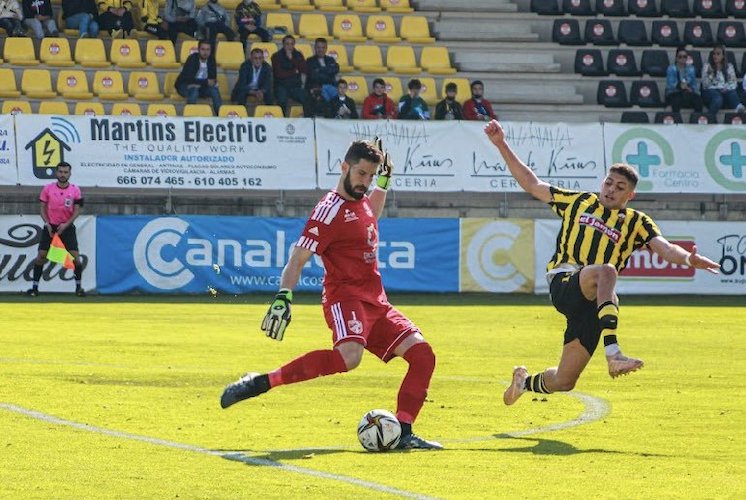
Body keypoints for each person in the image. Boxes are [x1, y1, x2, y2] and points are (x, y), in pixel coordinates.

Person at [220, 139, 442, 450]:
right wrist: (284, 296)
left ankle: (403, 431)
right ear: (344, 167)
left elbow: (370, 216)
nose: (365, 182)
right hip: (345, 298)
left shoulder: (362, 199)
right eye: (361, 174)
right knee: (349, 359)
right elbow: (297, 258)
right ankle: (261, 382)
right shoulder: (327, 212)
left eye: (370, 175)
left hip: (376, 301)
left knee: (423, 355)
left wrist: (384, 182)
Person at [482, 120, 720, 406]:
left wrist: (689, 259)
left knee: (565, 381)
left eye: (619, 187)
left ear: (629, 196)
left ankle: (523, 383)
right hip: (566, 281)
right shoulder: (579, 201)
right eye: (608, 182)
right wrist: (501, 144)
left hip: (594, 303)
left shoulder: (637, 222)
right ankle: (614, 354)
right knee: (607, 271)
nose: (610, 189)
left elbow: (666, 249)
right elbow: (533, 184)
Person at [26, 162, 86, 298]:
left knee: (75, 259)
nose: (63, 174)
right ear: (56, 173)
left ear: (70, 174)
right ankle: (34, 288)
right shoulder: (47, 189)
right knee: (41, 256)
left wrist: (66, 224)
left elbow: (77, 210)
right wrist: (47, 223)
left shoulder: (75, 190)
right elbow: (42, 208)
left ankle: (79, 288)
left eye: (65, 172)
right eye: (60, 172)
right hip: (50, 227)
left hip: (67, 227)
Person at [175, 40, 222, 114]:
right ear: (199, 50)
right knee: (194, 90)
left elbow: (212, 78)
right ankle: (189, 117)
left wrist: (213, 82)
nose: (205, 52)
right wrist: (205, 82)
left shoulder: (211, 60)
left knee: (214, 90)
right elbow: (188, 79)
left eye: (207, 50)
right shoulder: (192, 59)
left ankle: (221, 116)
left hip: (202, 86)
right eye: (203, 49)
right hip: (184, 86)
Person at [271, 34, 311, 117]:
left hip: (295, 86)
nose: (289, 46)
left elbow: (305, 69)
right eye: (287, 44)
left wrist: (292, 60)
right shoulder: (276, 56)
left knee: (307, 97)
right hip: (281, 85)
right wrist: (295, 71)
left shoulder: (298, 55)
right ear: (283, 44)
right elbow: (279, 74)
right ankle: (281, 120)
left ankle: (307, 119)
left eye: (292, 44)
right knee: (281, 100)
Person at [701, 45, 740, 118]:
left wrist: (726, 88)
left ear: (723, 56)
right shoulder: (707, 66)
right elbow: (705, 85)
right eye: (714, 54)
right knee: (718, 98)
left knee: (732, 93)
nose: (715, 56)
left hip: (725, 91)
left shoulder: (729, 67)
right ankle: (709, 118)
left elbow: (734, 83)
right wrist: (710, 74)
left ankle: (739, 108)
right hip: (710, 91)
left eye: (718, 54)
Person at [665, 46, 703, 113]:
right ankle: (677, 121)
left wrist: (692, 89)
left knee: (698, 100)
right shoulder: (671, 68)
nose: (682, 58)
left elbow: (693, 84)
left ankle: (695, 121)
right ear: (676, 58)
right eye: (680, 57)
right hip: (674, 93)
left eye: (685, 56)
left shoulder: (691, 69)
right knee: (676, 101)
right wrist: (680, 86)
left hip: (687, 93)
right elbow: (670, 85)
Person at [305, 37, 340, 102]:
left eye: (323, 47)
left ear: (326, 48)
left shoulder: (330, 59)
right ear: (315, 48)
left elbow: (336, 69)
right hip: (317, 87)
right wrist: (327, 71)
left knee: (341, 95)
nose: (321, 50)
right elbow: (314, 76)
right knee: (326, 96)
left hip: (331, 87)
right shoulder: (309, 61)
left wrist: (320, 69)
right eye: (318, 47)